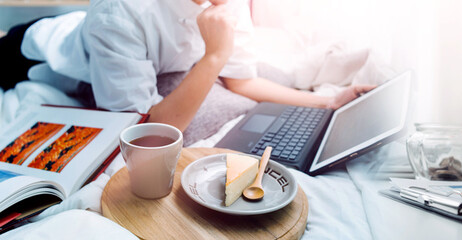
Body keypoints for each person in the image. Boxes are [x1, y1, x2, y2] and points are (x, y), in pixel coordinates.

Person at [0, 0, 373, 131]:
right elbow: (145, 130)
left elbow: (242, 82)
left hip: (104, 40)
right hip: (36, 55)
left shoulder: (228, 3)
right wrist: (213, 57)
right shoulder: (120, 12)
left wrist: (329, 101)